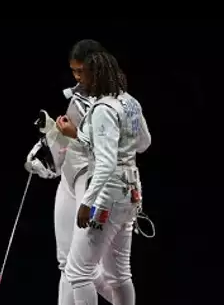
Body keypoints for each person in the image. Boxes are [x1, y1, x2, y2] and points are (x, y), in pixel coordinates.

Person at [57, 51, 151, 305]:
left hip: (107, 194)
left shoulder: (102, 108)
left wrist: (87, 203)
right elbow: (144, 143)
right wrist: (77, 134)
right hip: (131, 191)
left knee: (78, 272)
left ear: (96, 75)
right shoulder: (130, 102)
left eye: (84, 74)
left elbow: (106, 163)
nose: (80, 80)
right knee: (119, 274)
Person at [25, 39, 115, 305]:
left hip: (91, 179)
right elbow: (67, 144)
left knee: (83, 268)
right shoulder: (78, 95)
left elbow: (109, 151)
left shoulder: (113, 101)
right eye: (73, 71)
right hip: (69, 177)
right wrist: (49, 137)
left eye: (81, 71)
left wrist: (74, 133)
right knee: (65, 263)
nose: (77, 76)